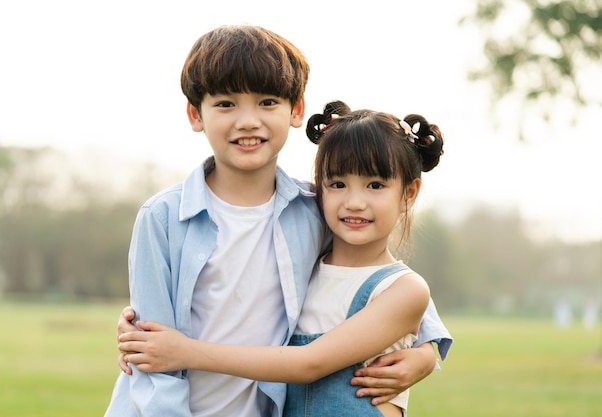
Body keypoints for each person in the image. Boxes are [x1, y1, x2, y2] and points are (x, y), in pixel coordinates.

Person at [105, 25, 451, 417]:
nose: (248, 121)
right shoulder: (163, 218)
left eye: (267, 102)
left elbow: (381, 278)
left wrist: (426, 348)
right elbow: (151, 354)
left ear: (296, 110)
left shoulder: (316, 211)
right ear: (195, 113)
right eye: (226, 104)